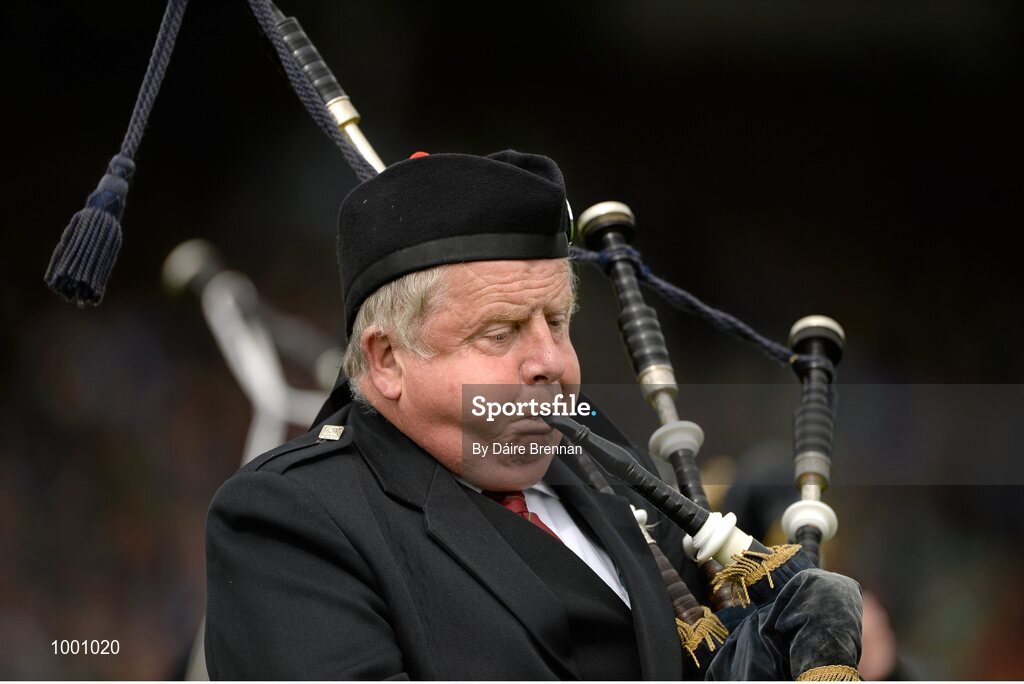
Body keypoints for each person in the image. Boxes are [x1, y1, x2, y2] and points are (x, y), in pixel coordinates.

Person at [204, 150, 863, 680]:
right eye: (501, 333)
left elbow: (702, 641)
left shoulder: (601, 470)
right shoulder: (288, 524)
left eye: (557, 322)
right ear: (386, 360)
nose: (552, 363)